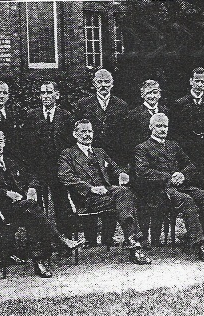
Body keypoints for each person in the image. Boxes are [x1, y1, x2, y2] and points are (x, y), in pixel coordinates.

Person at [0, 127, 84, 278]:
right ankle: (60, 242)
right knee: (32, 209)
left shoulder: (11, 162)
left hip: (20, 209)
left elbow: (32, 176)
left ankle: (40, 262)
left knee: (33, 216)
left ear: (4, 143)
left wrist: (32, 188)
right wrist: (6, 193)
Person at [134, 113, 204, 263]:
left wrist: (182, 175)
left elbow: (190, 166)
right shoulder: (142, 148)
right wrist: (169, 177)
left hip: (181, 186)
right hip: (160, 191)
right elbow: (142, 171)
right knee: (187, 200)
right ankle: (201, 246)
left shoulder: (173, 145)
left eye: (165, 126)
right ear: (150, 127)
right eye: (159, 126)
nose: (162, 129)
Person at [58, 119, 152, 265]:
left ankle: (134, 243)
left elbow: (115, 167)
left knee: (125, 193)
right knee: (126, 196)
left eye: (89, 131)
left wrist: (121, 173)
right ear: (75, 134)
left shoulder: (100, 152)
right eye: (83, 131)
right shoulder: (68, 154)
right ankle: (135, 243)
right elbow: (66, 176)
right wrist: (90, 188)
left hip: (107, 192)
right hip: (87, 198)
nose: (87, 135)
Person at [74, 69, 129, 247]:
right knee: (92, 192)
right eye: (100, 82)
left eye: (107, 82)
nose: (103, 85)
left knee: (112, 193)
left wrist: (121, 164)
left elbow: (125, 135)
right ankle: (90, 239)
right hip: (90, 157)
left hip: (113, 157)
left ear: (112, 84)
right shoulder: (83, 105)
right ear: (94, 84)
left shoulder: (121, 105)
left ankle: (107, 237)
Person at [24, 81, 74, 238]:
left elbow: (70, 144)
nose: (45, 96)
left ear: (57, 95)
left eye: (49, 92)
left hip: (59, 167)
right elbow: (26, 144)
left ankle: (64, 238)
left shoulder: (66, 116)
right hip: (38, 168)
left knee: (61, 202)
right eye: (42, 93)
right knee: (37, 203)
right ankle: (42, 239)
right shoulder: (32, 116)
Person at [126, 80, 171, 246]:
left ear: (159, 94)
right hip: (141, 166)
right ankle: (143, 237)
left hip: (162, 166)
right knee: (144, 203)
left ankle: (157, 239)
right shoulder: (134, 114)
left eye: (155, 92)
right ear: (142, 95)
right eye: (149, 93)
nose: (152, 96)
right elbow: (128, 143)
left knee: (160, 202)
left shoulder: (166, 111)